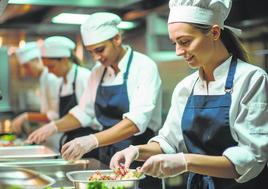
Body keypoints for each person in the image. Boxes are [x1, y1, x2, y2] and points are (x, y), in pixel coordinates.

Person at [110, 0, 268, 188]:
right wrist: (136, 150)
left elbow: (250, 158)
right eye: (174, 43)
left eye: (185, 42)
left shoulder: (251, 79)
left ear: (215, 33)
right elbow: (168, 142)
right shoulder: (186, 86)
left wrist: (185, 161)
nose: (178, 51)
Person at [26, 12, 162, 165]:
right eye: (91, 52)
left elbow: (135, 123)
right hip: (107, 154)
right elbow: (83, 112)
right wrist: (53, 126)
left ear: (117, 39)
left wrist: (92, 140)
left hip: (138, 156)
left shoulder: (143, 66)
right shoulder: (98, 71)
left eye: (100, 50)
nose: (96, 57)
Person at [26, 36, 98, 158]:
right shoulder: (60, 83)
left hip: (88, 144)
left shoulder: (83, 77)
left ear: (64, 60)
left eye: (51, 66)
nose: (48, 72)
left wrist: (53, 127)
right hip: (71, 142)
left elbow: (90, 114)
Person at [12, 42, 62, 149]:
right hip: (49, 135)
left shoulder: (51, 78)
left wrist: (26, 116)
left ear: (37, 60)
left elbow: (55, 115)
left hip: (57, 136)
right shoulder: (43, 79)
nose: (25, 71)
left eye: (27, 66)